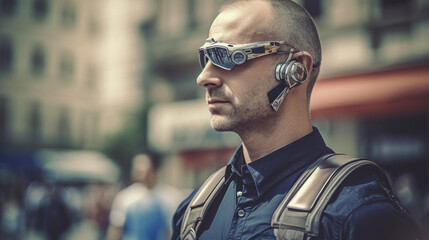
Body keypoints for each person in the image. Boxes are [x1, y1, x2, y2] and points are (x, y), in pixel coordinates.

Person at [171, 0, 424, 239]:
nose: (204, 77)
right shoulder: (194, 212)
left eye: (226, 56)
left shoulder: (358, 212)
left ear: (296, 69)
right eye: (206, 58)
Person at [106, 153, 170, 240]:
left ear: (154, 168)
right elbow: (115, 230)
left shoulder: (170, 197)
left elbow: (171, 231)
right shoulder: (125, 197)